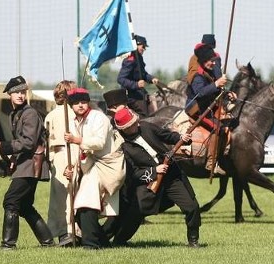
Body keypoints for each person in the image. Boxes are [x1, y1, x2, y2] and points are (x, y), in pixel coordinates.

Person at [111, 107, 202, 247]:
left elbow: (167, 136)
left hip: (172, 176)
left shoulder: (146, 127)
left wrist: (180, 138)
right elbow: (133, 174)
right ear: (124, 129)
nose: (137, 125)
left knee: (192, 207)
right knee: (137, 211)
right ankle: (119, 241)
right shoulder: (122, 146)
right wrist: (154, 170)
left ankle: (193, 240)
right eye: (132, 125)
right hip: (147, 182)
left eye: (135, 122)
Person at [0, 75, 53, 250]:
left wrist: (5, 146)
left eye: (22, 92)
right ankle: (48, 242)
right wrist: (12, 159)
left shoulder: (29, 113)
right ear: (9, 95)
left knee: (11, 201)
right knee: (25, 206)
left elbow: (28, 142)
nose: (20, 95)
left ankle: (8, 245)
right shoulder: (16, 114)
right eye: (16, 92)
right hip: (24, 164)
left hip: (31, 165)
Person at [63, 88, 126, 249]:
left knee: (85, 201)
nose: (80, 105)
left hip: (109, 165)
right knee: (79, 209)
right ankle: (102, 242)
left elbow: (98, 143)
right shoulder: (73, 122)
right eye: (76, 103)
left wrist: (76, 139)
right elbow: (78, 152)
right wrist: (69, 168)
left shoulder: (99, 118)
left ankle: (91, 245)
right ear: (71, 106)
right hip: (92, 166)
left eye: (83, 102)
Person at [185, 43, 236, 175]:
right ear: (202, 61)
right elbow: (200, 93)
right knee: (217, 127)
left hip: (207, 109)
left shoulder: (208, 73)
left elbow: (214, 91)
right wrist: (216, 84)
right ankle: (210, 163)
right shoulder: (197, 76)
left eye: (213, 61)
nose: (213, 64)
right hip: (196, 111)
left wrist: (227, 93)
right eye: (210, 61)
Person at [44, 80, 79, 247]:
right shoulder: (73, 114)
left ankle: (63, 232)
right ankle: (71, 232)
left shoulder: (50, 115)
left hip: (58, 156)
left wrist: (51, 159)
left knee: (60, 198)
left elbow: (47, 141)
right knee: (71, 195)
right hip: (70, 154)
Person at [117, 35, 159, 117]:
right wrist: (136, 85)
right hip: (130, 96)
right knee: (145, 114)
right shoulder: (130, 59)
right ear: (136, 45)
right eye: (143, 46)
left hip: (139, 93)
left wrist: (152, 79)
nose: (144, 49)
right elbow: (120, 79)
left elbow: (143, 74)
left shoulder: (139, 58)